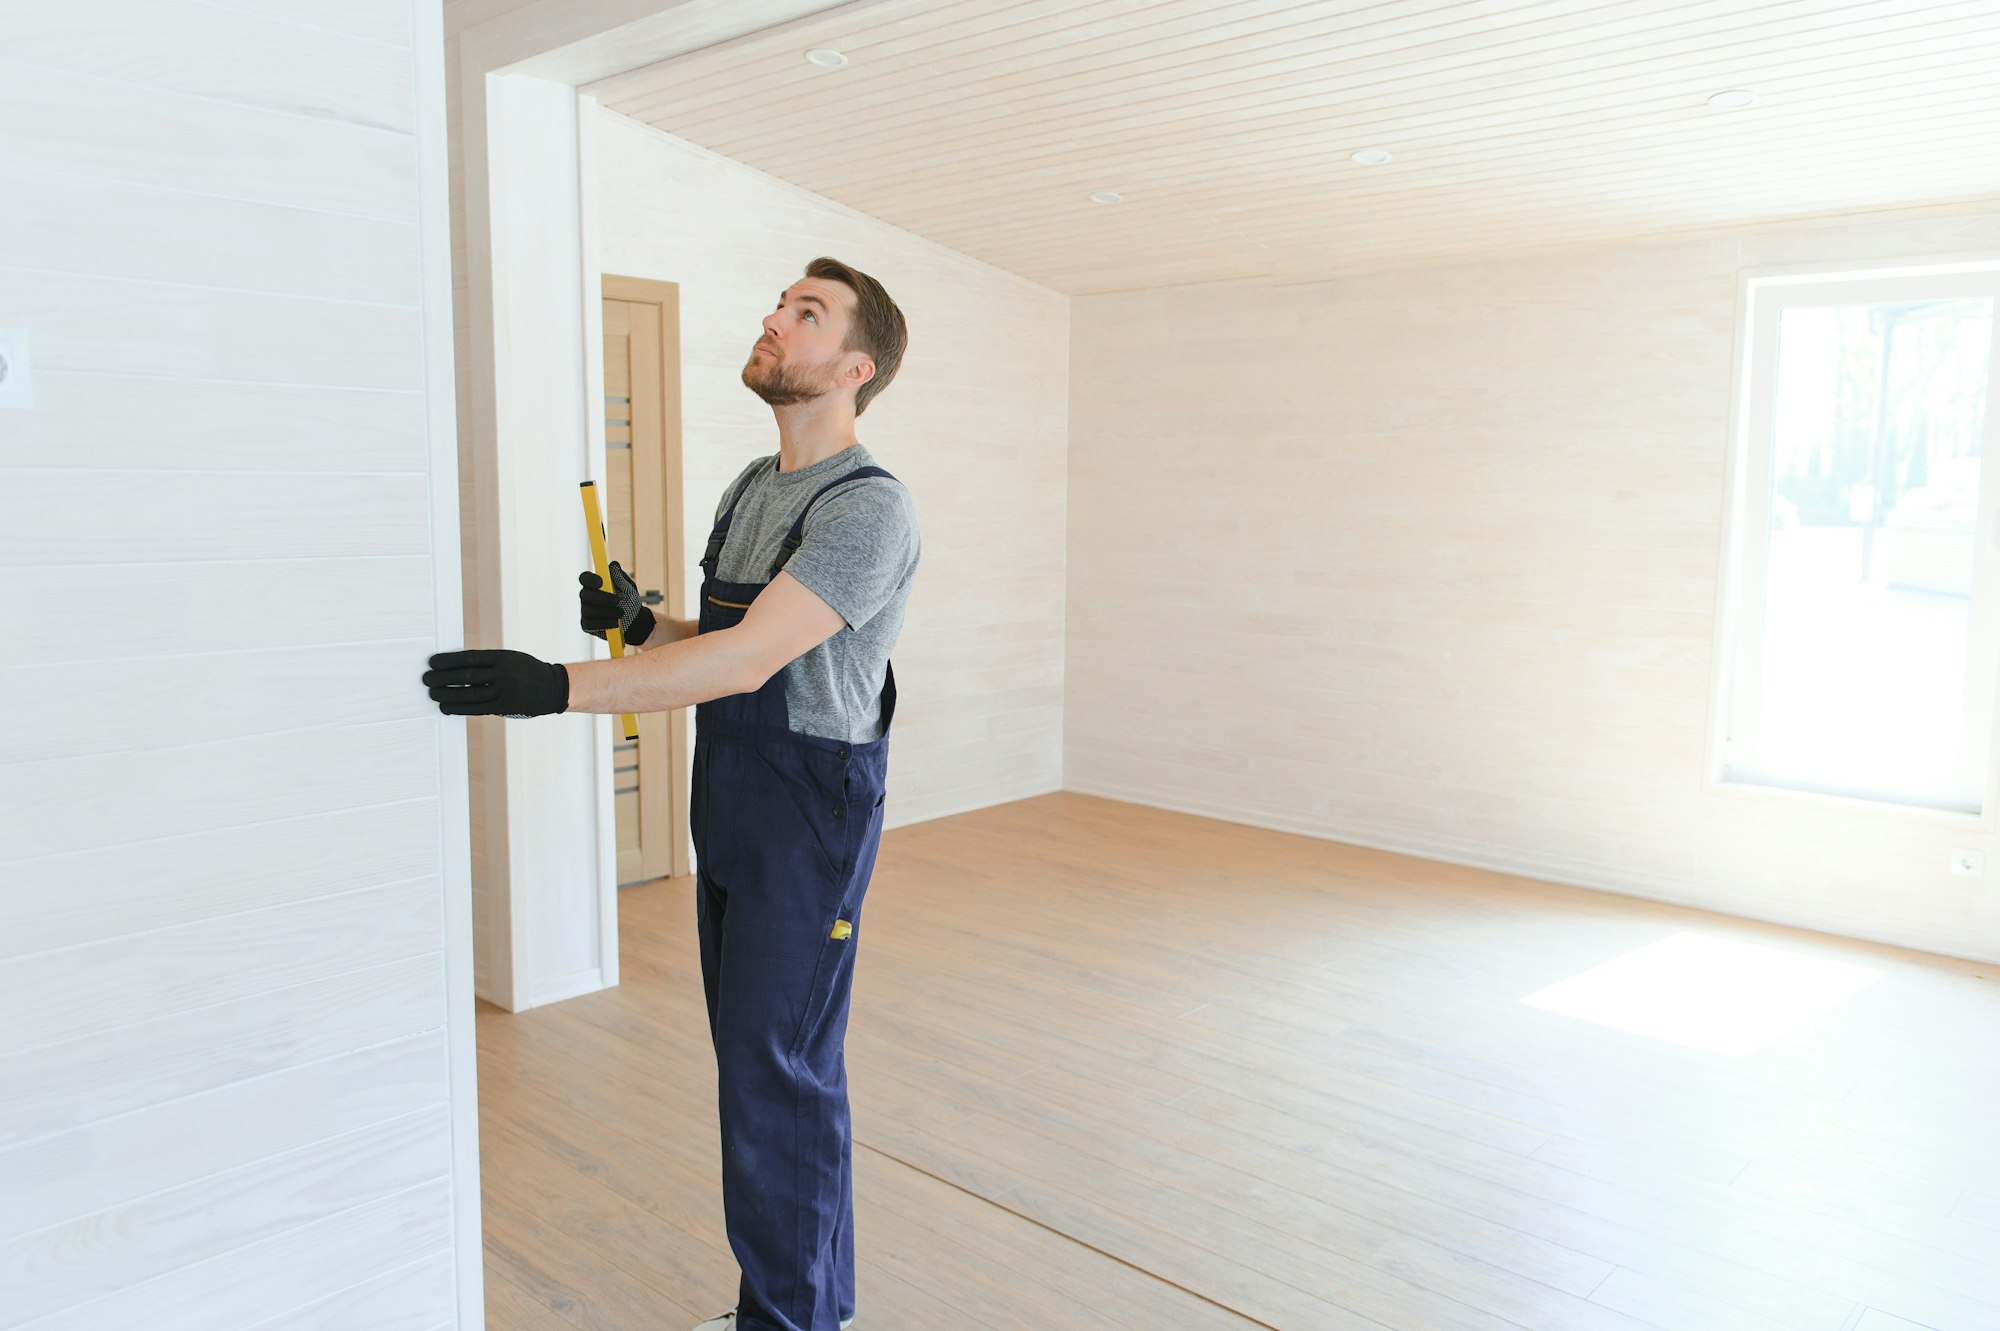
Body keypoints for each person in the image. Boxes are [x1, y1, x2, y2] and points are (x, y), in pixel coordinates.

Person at [424, 257, 919, 1331]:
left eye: (805, 313)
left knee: (773, 1071)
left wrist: (553, 686)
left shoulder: (867, 511)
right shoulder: (753, 484)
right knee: (763, 1068)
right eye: (780, 304)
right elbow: (724, 642)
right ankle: (794, 1306)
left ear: (854, 365)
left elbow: (750, 666)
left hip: (808, 814)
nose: (774, 320)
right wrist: (646, 625)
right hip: (732, 792)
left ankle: (789, 1319)